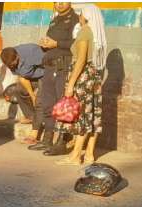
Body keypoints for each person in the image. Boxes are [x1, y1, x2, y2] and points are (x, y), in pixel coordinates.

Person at [55, 3, 106, 165]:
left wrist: (70, 84)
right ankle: (89, 155)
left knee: (82, 116)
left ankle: (76, 156)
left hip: (83, 77)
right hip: (94, 77)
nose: (79, 16)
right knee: (93, 117)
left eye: (81, 14)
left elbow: (81, 60)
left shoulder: (85, 32)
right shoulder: (97, 33)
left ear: (87, 16)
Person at [29, 2, 79, 155]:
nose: (59, 4)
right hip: (49, 67)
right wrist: (45, 44)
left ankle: (62, 142)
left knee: (63, 105)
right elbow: (51, 43)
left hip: (62, 67)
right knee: (47, 104)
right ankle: (47, 139)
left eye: (63, 1)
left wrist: (56, 43)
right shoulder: (54, 20)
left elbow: (76, 44)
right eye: (56, 1)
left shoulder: (75, 20)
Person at [0, 44, 45, 144]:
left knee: (39, 100)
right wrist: (32, 94)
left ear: (18, 56)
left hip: (45, 74)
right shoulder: (9, 60)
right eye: (10, 66)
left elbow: (49, 66)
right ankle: (32, 117)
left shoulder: (32, 52)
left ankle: (35, 132)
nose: (12, 67)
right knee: (18, 90)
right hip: (31, 77)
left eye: (13, 64)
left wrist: (37, 95)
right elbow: (22, 77)